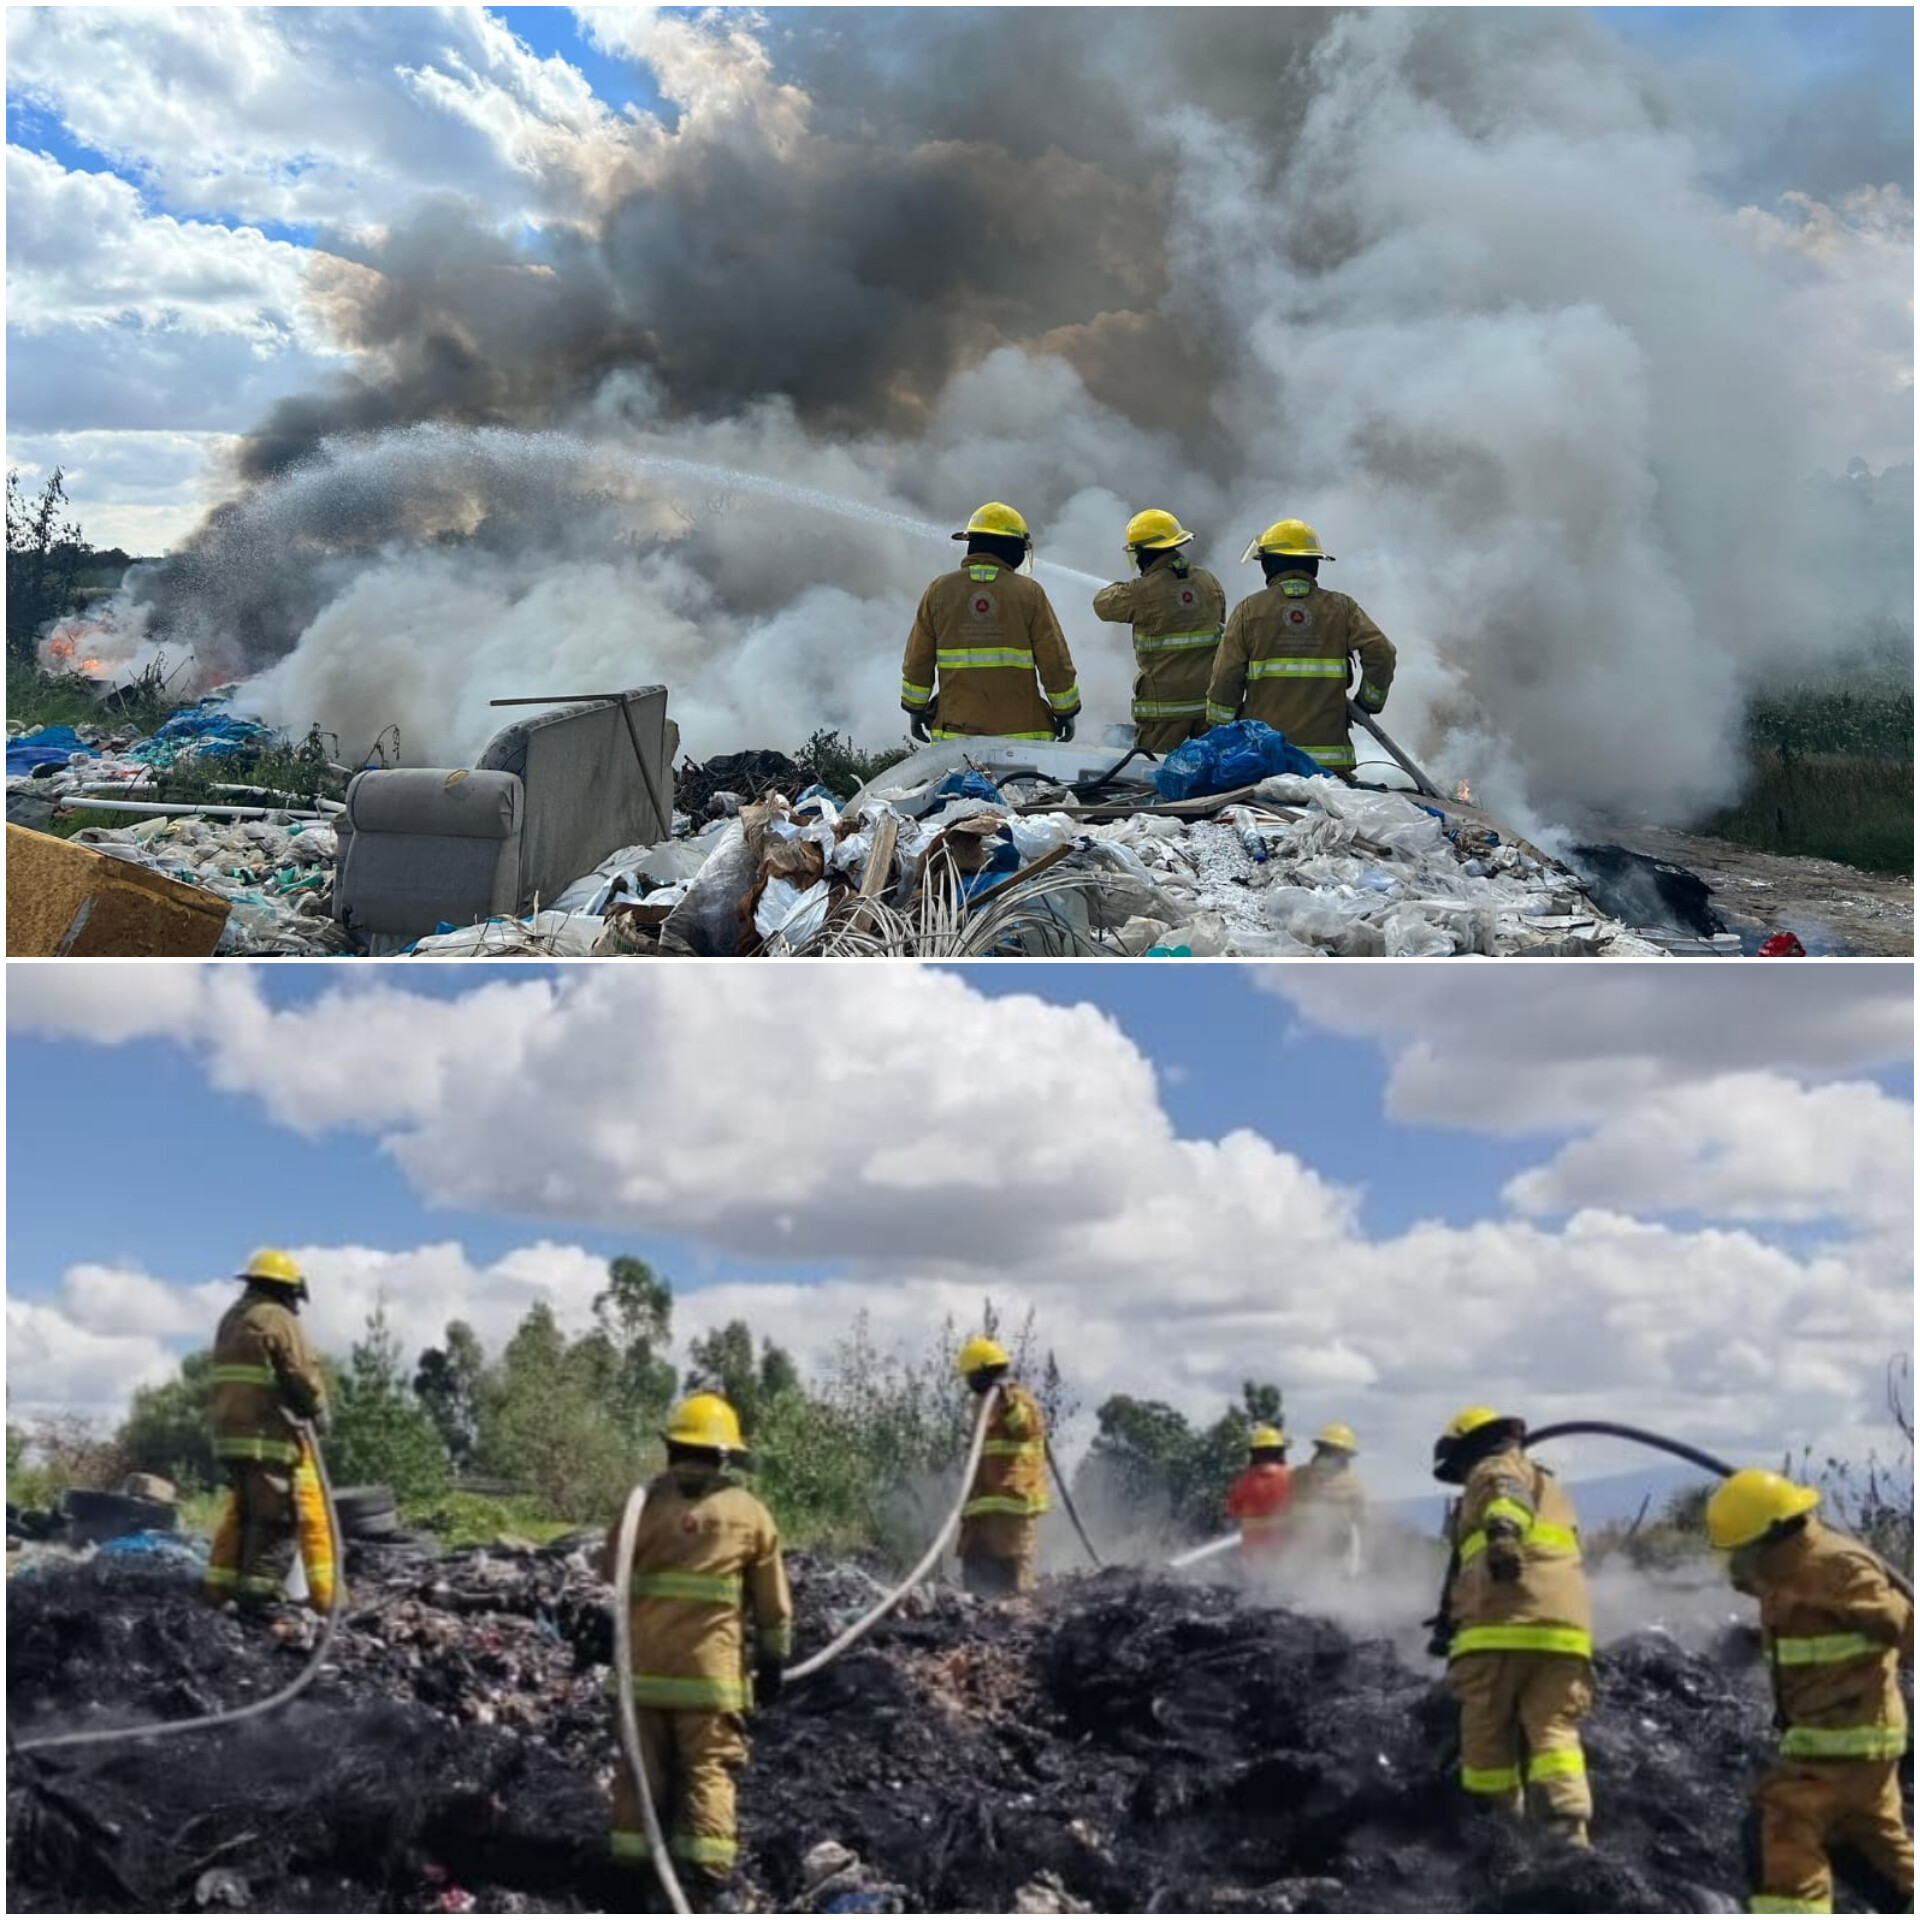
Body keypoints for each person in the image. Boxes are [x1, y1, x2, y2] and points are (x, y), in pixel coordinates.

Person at [603, 1393, 792, 1912]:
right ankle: (705, 1883)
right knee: (708, 1770)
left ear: (671, 1448)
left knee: (639, 1768)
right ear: (724, 1454)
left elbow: (607, 1570)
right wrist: (773, 1662)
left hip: (640, 1672)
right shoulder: (748, 1513)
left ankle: (628, 1874)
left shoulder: (642, 1506)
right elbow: (773, 1604)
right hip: (710, 1678)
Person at [1706, 1468, 1912, 1915]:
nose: (1735, 1567)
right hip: (1847, 1746)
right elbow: (1788, 1613)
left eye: (1740, 1552)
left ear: (1769, 1538)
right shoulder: (1784, 1570)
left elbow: (1902, 1626)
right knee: (1874, 1844)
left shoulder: (1838, 1568)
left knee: (1782, 1827)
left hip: (1843, 1744)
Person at [1429, 1406, 1593, 1846]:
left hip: (1501, 1626)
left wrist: (1503, 1533)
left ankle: (1497, 1833)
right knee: (1554, 1731)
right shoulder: (1553, 1486)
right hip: (1564, 1635)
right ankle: (1569, 1834)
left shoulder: (1494, 1466)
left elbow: (1506, 1496)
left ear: (1469, 1450)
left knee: (1486, 1733)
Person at [202, 1247, 337, 1618]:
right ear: (285, 1289)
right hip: (268, 1438)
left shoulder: (232, 1318)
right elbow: (301, 1372)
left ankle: (223, 1592)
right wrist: (317, 1409)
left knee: (245, 1516)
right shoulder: (275, 1317)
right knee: (276, 1519)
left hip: (231, 1438)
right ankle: (258, 1600)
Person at [1205, 518, 1397, 776]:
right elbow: (1381, 651)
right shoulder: (1342, 608)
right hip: (1329, 766)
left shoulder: (1249, 610)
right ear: (1314, 563)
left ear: (1270, 564)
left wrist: (1222, 730)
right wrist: (1368, 703)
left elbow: (1225, 679)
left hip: (1267, 759)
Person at [901, 503, 1081, 744]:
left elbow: (917, 661)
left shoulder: (939, 591)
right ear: (1013, 547)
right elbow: (1055, 662)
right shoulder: (1029, 593)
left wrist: (915, 709)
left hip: (955, 738)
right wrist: (1066, 712)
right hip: (1024, 737)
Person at [1091, 509, 1226, 752]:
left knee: (1151, 774)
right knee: (1212, 767)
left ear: (1144, 552)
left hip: (1163, 709)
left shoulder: (1141, 590)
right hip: (1208, 704)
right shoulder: (1209, 582)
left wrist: (1123, 587)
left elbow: (1102, 605)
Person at [955, 1334, 1049, 1597]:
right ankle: (979, 1609)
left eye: (970, 1375)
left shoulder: (1019, 1400)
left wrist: (1008, 1401)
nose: (968, 1382)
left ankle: (1016, 1616)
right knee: (975, 1560)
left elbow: (1025, 1428)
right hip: (983, 1503)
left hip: (1012, 1502)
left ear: (983, 1372)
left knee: (1013, 1565)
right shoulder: (983, 1402)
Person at [1290, 1422, 1367, 1578]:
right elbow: (1362, 1518)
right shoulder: (1353, 1482)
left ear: (1319, 1450)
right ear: (1346, 1455)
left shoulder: (1298, 1474)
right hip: (1336, 1553)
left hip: (1299, 1550)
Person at [1224, 1425, 1294, 1575]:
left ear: (1254, 1453)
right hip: (1285, 1555)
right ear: (1280, 1452)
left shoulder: (1242, 1482)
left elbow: (1232, 1512)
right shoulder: (1291, 1479)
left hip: (1253, 1556)